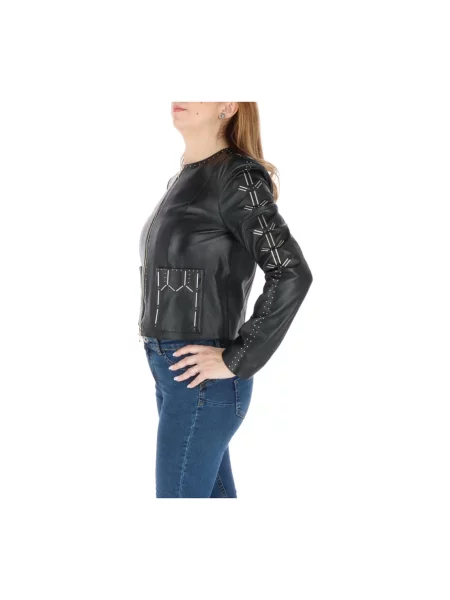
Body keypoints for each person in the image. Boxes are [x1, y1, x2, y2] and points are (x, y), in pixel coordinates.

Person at [138, 102, 313, 498]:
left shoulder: (237, 177)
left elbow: (291, 271)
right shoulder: (187, 177)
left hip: (201, 378)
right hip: (175, 372)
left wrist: (238, 358)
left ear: (229, 106)